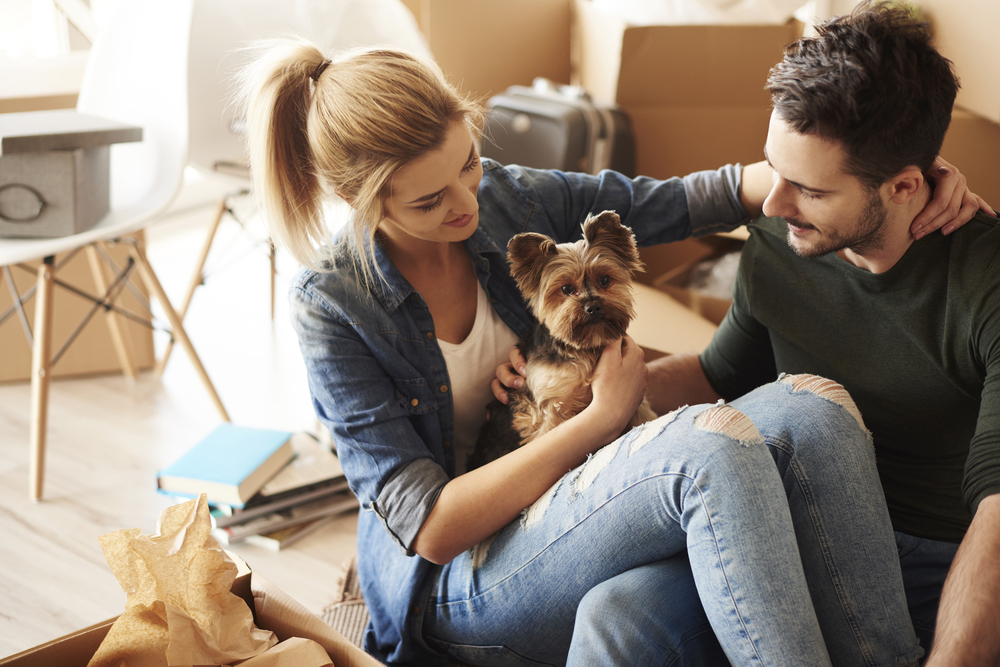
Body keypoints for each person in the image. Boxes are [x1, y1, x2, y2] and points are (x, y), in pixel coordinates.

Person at [236, 34, 980, 666]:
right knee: (708, 449)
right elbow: (430, 529)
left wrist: (903, 177)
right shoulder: (334, 307)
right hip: (464, 575)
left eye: (467, 162)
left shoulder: (504, 197)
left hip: (572, 500)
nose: (466, 202)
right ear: (366, 203)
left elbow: (686, 198)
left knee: (809, 405)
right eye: (429, 201)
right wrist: (598, 418)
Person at [626, 3, 998, 666]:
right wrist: (584, 397)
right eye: (774, 171)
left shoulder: (985, 279)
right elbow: (719, 374)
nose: (771, 205)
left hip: (935, 559)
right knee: (620, 614)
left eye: (808, 190)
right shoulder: (779, 238)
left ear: (907, 185)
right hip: (790, 527)